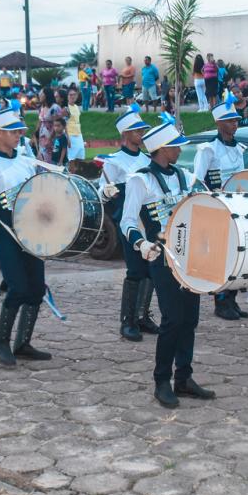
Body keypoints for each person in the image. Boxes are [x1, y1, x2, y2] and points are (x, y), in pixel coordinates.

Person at [120, 115, 214, 408]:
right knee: (172, 319)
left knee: (190, 320)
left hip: (190, 256)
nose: (179, 150)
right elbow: (127, 220)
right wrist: (141, 243)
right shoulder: (140, 180)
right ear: (161, 149)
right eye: (175, 146)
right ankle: (161, 380)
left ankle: (183, 377)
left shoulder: (185, 176)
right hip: (160, 257)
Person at [0, 102, 54, 366]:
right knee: (17, 287)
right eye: (12, 131)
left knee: (37, 288)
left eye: (19, 130)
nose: (19, 134)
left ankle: (23, 343)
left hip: (32, 230)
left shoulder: (26, 161)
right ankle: (1, 344)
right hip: (6, 232)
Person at [191, 95, 248, 322]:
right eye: (229, 121)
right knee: (220, 257)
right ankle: (221, 302)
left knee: (236, 255)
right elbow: (197, 180)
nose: (234, 124)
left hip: (237, 207)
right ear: (218, 123)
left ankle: (232, 299)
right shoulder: (208, 150)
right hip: (217, 209)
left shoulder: (240, 148)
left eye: (235, 120)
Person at [101, 106, 156, 340]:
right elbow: (101, 192)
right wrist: (107, 191)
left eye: (142, 129)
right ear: (125, 134)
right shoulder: (113, 161)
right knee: (135, 270)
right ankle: (127, 321)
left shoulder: (147, 159)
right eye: (136, 130)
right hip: (128, 221)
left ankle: (143, 315)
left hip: (150, 221)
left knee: (151, 269)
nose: (141, 133)